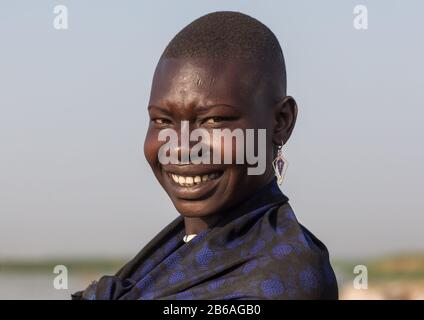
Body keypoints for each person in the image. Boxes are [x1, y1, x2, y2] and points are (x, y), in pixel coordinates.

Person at [72, 11, 338, 300]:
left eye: (214, 120)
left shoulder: (284, 278)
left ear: (281, 121)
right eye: (162, 121)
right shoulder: (171, 256)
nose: (181, 146)